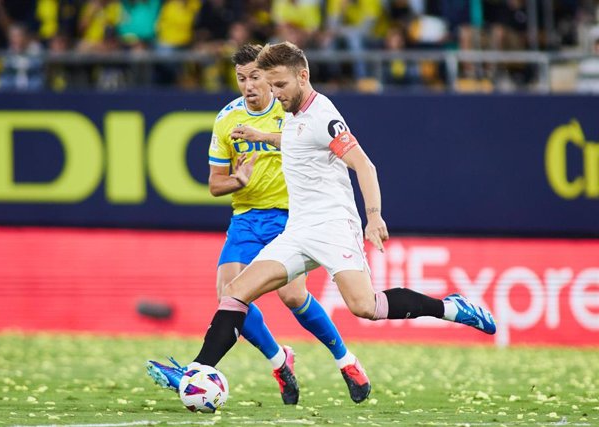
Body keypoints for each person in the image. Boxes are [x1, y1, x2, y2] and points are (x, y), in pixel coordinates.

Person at [147, 41, 496, 403]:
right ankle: (199, 370)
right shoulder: (293, 117)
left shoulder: (323, 114)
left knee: (366, 306)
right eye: (270, 84)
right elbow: (296, 141)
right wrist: (261, 136)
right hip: (297, 230)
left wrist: (373, 217)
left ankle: (451, 308)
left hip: (333, 228)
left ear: (303, 76)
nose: (274, 93)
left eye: (280, 85)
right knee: (235, 292)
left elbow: (364, 164)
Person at [146, 44, 372, 405]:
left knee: (293, 296)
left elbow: (315, 143)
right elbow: (214, 184)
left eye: (255, 77)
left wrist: (265, 138)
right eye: (241, 79)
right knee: (230, 295)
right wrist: (238, 181)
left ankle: (346, 360)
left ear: (269, 78)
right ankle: (280, 360)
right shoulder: (226, 120)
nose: (249, 85)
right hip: (246, 218)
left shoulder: (292, 111)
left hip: (290, 216)